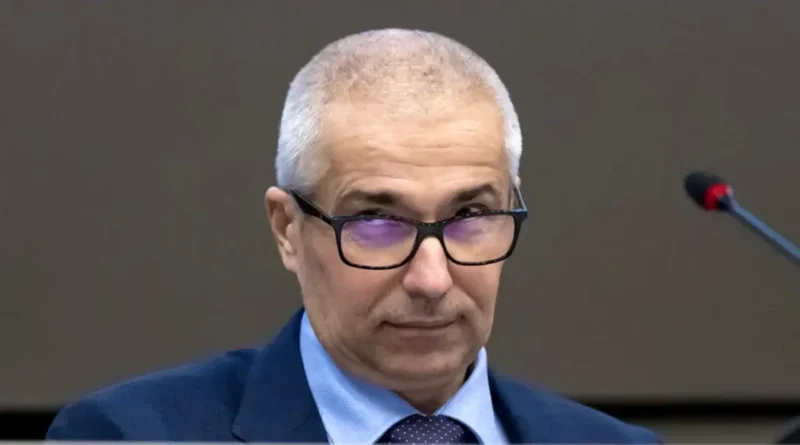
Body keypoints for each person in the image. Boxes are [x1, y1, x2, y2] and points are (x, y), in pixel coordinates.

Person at [47, 28, 661, 444]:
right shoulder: (127, 434)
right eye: (375, 222)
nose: (431, 280)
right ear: (287, 230)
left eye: (470, 214)